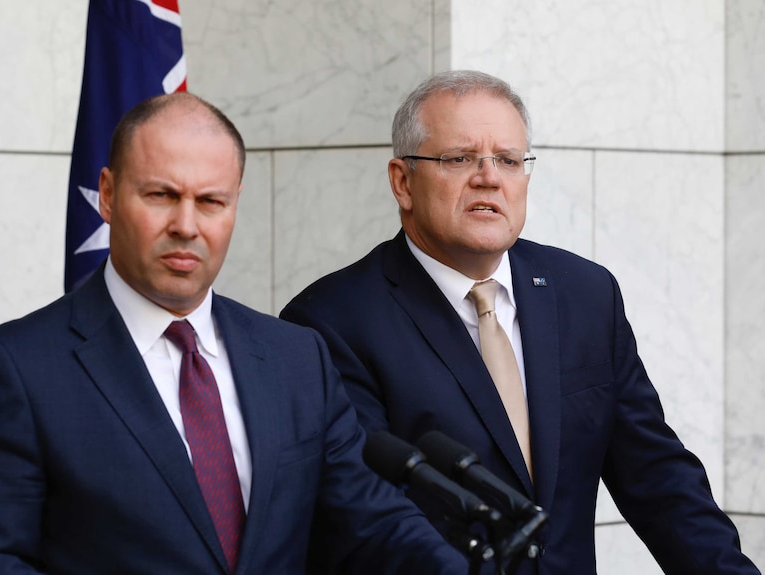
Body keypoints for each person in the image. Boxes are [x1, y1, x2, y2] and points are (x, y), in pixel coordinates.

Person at [0, 92, 470, 575]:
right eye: (162, 195)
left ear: (234, 204)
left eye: (211, 201)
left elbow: (370, 523)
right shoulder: (13, 370)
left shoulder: (296, 357)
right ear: (109, 196)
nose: (187, 225)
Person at [280, 70, 761, 574]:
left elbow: (661, 481)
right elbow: (371, 519)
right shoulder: (328, 323)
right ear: (403, 181)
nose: (489, 177)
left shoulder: (585, 294)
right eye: (460, 158)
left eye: (508, 160)